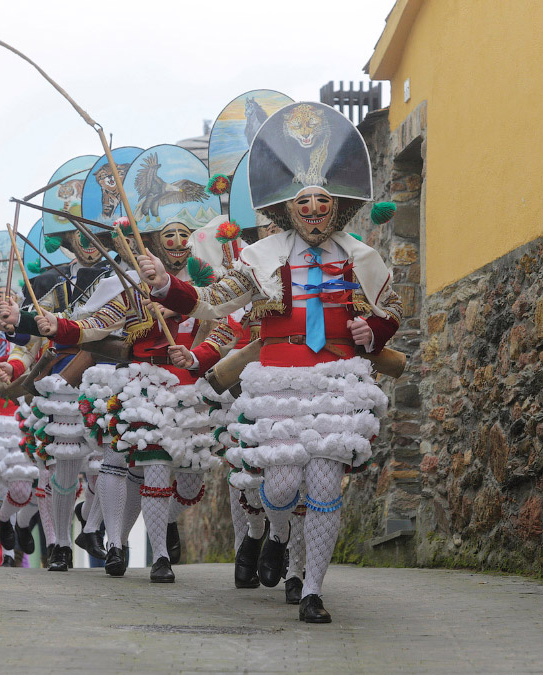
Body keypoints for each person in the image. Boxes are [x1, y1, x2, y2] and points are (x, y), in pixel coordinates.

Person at [138, 102, 402, 623]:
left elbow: (391, 309)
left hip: (336, 381)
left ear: (337, 205)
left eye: (322, 200)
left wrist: (373, 329)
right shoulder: (259, 259)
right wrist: (166, 285)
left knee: (325, 482)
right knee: (279, 488)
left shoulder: (362, 257)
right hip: (278, 381)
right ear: (287, 207)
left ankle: (313, 592)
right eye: (303, 201)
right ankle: (277, 536)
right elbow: (213, 302)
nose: (312, 210)